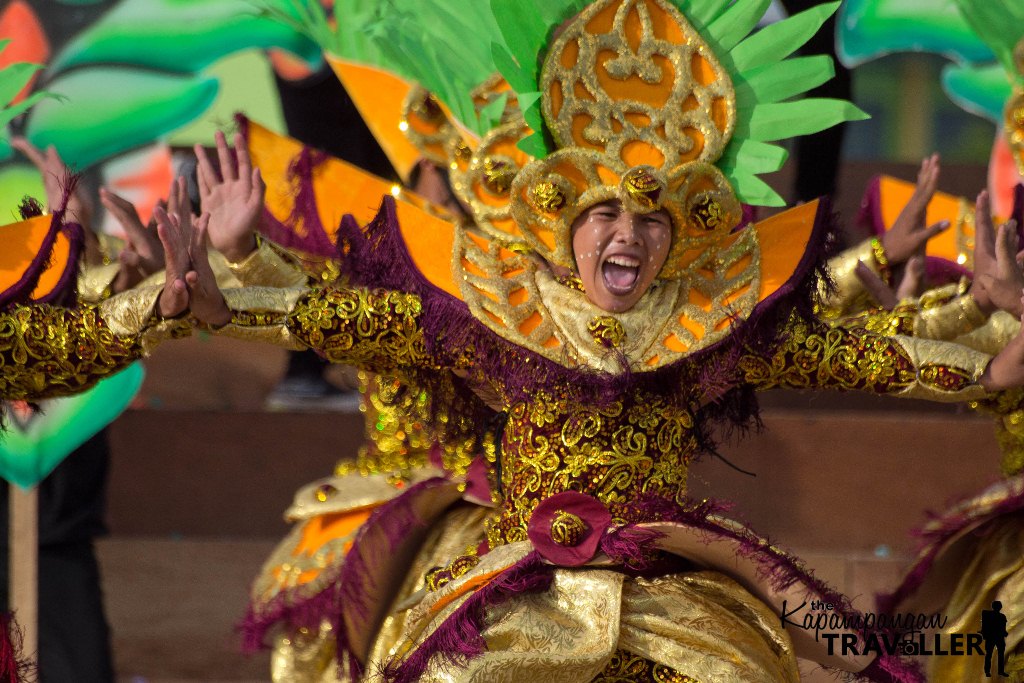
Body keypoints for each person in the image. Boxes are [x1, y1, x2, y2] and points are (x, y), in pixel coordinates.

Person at [142, 2, 1024, 680]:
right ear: (561, 223)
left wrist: (990, 365)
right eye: (605, 211)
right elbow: (345, 316)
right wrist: (230, 276)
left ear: (680, 233)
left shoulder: (706, 324)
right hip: (512, 585)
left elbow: (847, 355)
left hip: (682, 586)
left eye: (650, 217)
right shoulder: (495, 312)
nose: (628, 236)